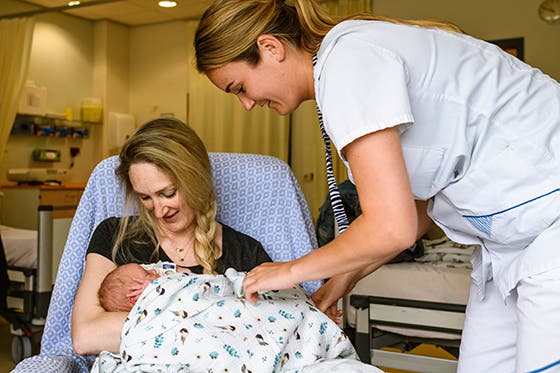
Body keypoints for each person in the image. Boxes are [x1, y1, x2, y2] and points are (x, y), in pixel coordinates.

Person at [193, 1, 560, 372]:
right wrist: (343, 278)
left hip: (549, 229)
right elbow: (415, 212)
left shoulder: (347, 62)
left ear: (270, 48)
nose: (246, 105)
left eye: (240, 87)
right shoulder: (348, 60)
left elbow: (391, 227)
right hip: (511, 248)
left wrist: (289, 270)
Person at [71, 117, 272, 355]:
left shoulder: (246, 252)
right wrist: (214, 326)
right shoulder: (115, 236)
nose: (158, 210)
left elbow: (273, 328)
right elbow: (85, 337)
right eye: (145, 198)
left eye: (167, 193)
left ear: (196, 179)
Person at [91, 265, 379, 373]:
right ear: (134, 294)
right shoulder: (154, 301)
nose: (156, 274)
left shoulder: (185, 280)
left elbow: (230, 288)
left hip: (279, 345)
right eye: (147, 274)